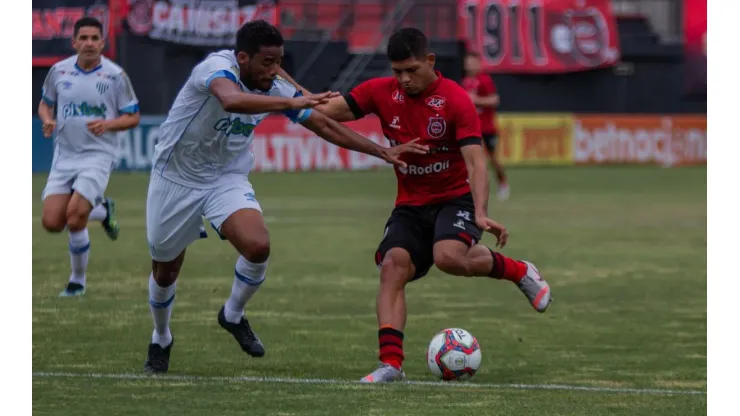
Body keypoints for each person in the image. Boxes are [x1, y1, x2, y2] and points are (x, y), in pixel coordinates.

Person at [143, 20, 426, 374]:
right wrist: (284, 100)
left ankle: (232, 314)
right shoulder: (216, 69)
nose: (275, 70)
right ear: (243, 58)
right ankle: (161, 336)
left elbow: (323, 125)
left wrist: (381, 151)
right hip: (175, 177)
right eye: (268, 63)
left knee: (258, 246)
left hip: (225, 177)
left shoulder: (273, 85)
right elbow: (230, 101)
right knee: (166, 270)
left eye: (279, 62)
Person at [309, 28, 553, 383]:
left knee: (449, 257)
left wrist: (481, 212)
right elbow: (328, 113)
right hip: (409, 204)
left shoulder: (455, 99)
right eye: (397, 72)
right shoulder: (379, 92)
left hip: (454, 198)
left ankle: (519, 271)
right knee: (392, 266)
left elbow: (476, 161)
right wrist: (295, 101)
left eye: (411, 70)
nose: (404, 80)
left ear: (430, 61)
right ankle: (391, 365)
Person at [38, 17, 140, 297]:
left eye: (95, 38)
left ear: (103, 43)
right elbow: (45, 105)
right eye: (83, 38)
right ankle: (103, 209)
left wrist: (108, 125)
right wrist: (47, 120)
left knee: (74, 217)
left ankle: (77, 281)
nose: (89, 43)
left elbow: (133, 116)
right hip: (65, 156)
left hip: (98, 155)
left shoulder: (115, 76)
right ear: (74, 42)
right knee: (51, 223)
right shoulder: (58, 72)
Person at [461, 52, 508, 200]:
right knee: (473, 160)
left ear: (479, 64)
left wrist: (476, 100)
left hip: (487, 128)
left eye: (472, 62)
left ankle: (503, 183)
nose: (469, 65)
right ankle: (474, 191)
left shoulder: (485, 80)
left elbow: (494, 100)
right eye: (467, 63)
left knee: (493, 160)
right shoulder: (465, 82)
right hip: (472, 128)